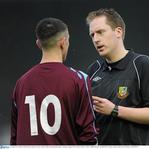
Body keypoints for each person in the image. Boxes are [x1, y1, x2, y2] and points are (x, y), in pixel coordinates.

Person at [10, 17, 98, 145]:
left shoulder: (21, 83)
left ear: (38, 44)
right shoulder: (79, 79)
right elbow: (89, 135)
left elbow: (14, 136)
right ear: (63, 42)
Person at [86, 8, 149, 145]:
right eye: (92, 35)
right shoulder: (93, 69)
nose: (96, 39)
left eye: (100, 32)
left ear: (118, 31)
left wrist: (114, 110)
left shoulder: (141, 64)